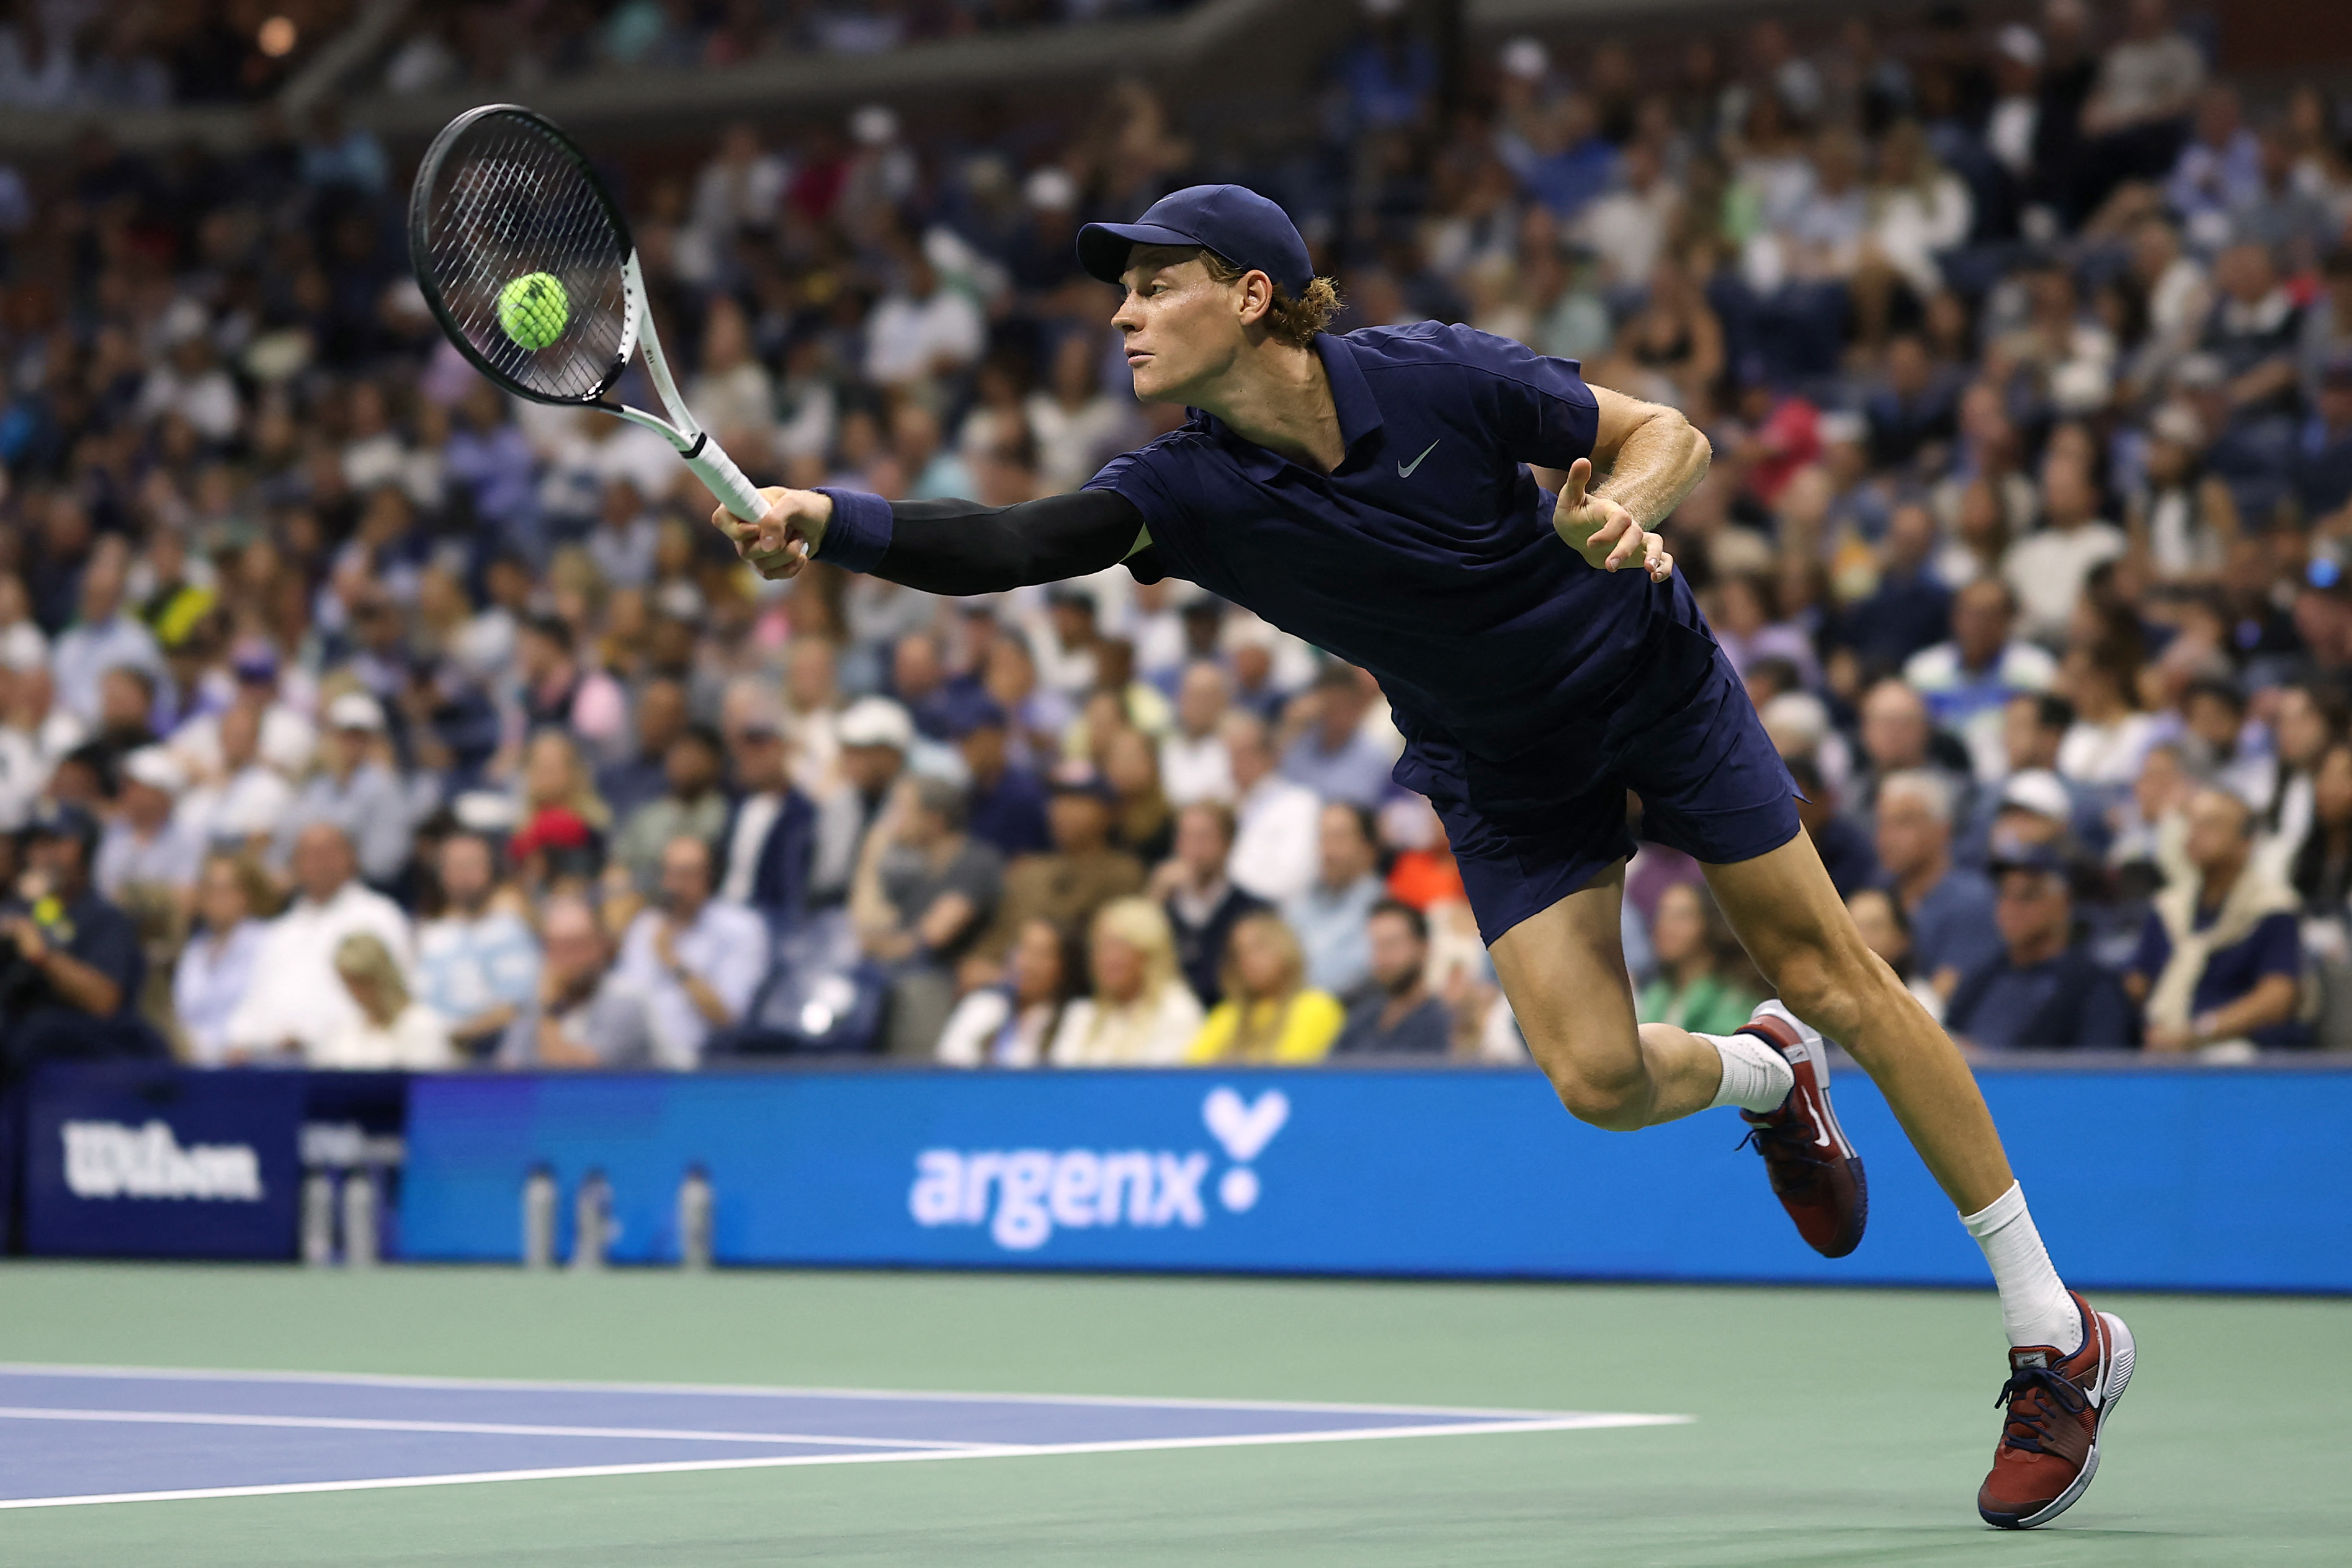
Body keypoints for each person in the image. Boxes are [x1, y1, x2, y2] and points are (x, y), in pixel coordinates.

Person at [722, 184, 2131, 1525]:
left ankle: (2050, 1333)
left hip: (1641, 677)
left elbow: (1667, 431)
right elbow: (1011, 541)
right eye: (1122, 293)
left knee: (1830, 968)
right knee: (1593, 1078)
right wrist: (830, 522)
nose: (1122, 315)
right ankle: (1768, 1078)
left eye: (1155, 286)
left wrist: (1626, 505)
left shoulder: (1433, 374)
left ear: (1251, 294)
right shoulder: (1184, 489)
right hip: (1496, 762)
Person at [2124, 786, 2306, 1054]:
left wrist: (2200, 1031)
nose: (2195, 834)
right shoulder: (2169, 907)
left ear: (2246, 841)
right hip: (2161, 1045)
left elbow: (2277, 998)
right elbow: (2137, 984)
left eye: (2211, 825)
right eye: (2192, 823)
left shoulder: (2272, 909)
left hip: (2235, 1050)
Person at [0, 802, 164, 1075]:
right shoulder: (25, 909)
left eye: (55, 843)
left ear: (84, 848)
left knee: (40, 1027)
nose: (43, 856)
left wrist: (43, 956)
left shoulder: (105, 918)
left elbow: (104, 1002)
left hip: (89, 1050)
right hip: (21, 1048)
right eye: (36, 846)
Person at [227, 824, 414, 1061]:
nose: (319, 863)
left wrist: (314, 1039)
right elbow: (253, 1002)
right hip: (272, 1063)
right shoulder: (281, 931)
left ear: (350, 858)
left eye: (328, 853)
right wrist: (240, 1041)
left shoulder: (380, 916)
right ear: (295, 864)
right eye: (308, 855)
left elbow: (392, 997)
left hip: (351, 1063)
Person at [850, 776, 1003, 1056]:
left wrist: (876, 945)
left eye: (903, 810)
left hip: (948, 990)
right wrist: (873, 852)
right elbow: (869, 924)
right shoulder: (919, 873)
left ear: (934, 819)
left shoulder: (975, 862)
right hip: (906, 985)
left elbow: (931, 937)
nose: (894, 821)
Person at [1946, 845, 2137, 1051]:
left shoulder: (2094, 988)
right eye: (2004, 894)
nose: (2010, 908)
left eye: (2027, 895)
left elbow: (2100, 1071)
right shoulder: (1982, 977)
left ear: (2063, 902)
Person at [973, 764, 1145, 970]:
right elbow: (997, 939)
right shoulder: (1027, 871)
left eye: (1076, 800)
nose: (1062, 810)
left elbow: (1086, 946)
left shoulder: (1122, 872)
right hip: (1004, 984)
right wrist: (979, 964)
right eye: (1057, 800)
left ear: (1108, 812)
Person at [1876, 769, 2003, 1000]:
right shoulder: (1878, 893)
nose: (1887, 837)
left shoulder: (1972, 900)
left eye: (1903, 823)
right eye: (1884, 823)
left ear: (1942, 830)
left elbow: (1944, 994)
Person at [413, 831, 540, 1060]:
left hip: (490, 1060)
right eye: (456, 866)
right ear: (441, 875)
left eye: (473, 865)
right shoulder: (429, 935)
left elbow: (514, 1008)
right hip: (428, 1058)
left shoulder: (512, 932)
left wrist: (453, 1036)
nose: (465, 876)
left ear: (492, 870)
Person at [499, 894, 653, 1068]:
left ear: (601, 946)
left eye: (576, 946)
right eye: (556, 946)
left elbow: (579, 1077)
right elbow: (508, 1069)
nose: (567, 959)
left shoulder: (625, 1001)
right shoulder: (534, 1002)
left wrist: (550, 1011)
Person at [1049, 896, 1202, 1064]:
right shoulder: (1081, 1015)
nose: (1107, 958)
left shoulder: (1176, 1010)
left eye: (1119, 947)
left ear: (1148, 952)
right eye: (1101, 947)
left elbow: (1164, 1084)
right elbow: (1061, 1084)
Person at [1187, 910, 1343, 1062]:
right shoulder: (1227, 1015)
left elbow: (1290, 1071)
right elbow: (1191, 1073)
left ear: (1285, 947)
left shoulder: (1315, 1007)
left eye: (1259, 948)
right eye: (1239, 953)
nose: (1248, 960)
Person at [1152, 800, 1264, 1007]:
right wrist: (1156, 895)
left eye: (1203, 837)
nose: (1193, 847)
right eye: (1186, 836)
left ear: (1228, 843)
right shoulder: (1164, 904)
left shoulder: (1252, 910)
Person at [934, 917, 1080, 1067]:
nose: (1027, 964)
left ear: (1064, 966)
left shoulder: (1076, 1018)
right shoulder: (981, 1005)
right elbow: (948, 1068)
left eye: (1041, 954)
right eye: (1023, 949)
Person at [714, 713, 816, 927]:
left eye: (761, 748)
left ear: (781, 750)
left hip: (767, 919)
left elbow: (793, 885)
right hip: (722, 911)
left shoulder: (801, 813)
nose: (750, 757)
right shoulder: (737, 806)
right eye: (746, 749)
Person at [172, 853, 274, 1066]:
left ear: (247, 895)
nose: (216, 899)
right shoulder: (195, 949)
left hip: (249, 1065)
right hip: (194, 1065)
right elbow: (184, 1014)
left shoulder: (268, 942)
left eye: (225, 890)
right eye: (209, 890)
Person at [1282, 801, 1387, 999]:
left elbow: (1350, 979)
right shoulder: (1301, 900)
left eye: (1339, 838)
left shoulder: (1382, 909)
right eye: (1323, 838)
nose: (1327, 851)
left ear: (1368, 849)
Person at [1636, 881, 1764, 1036]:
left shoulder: (1734, 998)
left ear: (1710, 924)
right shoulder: (1657, 993)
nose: (1665, 926)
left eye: (1681, 917)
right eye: (1662, 915)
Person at [315, 931, 457, 1070]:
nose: (355, 993)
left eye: (361, 982)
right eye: (349, 984)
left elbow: (423, 1084)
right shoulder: (347, 1029)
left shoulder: (422, 1025)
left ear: (381, 977)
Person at [1331, 899, 1453, 1054]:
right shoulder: (1362, 1018)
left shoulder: (1441, 1024)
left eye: (1392, 944)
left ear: (1423, 948)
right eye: (1377, 946)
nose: (1382, 958)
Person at [1222, 710, 1320, 902]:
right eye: (1230, 754)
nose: (1235, 763)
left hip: (1272, 911)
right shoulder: (1224, 805)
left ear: (1271, 755)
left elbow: (1292, 878)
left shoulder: (1300, 805)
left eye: (1244, 753)